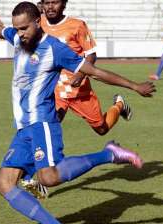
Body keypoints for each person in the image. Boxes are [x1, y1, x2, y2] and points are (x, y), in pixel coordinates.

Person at [0, 2, 155, 224]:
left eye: (24, 28)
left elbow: (95, 72)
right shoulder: (20, 39)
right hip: (23, 127)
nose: (19, 34)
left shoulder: (55, 49)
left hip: (42, 122)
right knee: (5, 184)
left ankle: (109, 154)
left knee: (48, 178)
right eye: (16, 29)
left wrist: (134, 86)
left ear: (37, 22)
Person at [41, 0, 132, 136]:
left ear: (64, 4)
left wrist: (81, 75)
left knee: (101, 129)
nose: (50, 6)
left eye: (55, 2)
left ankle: (119, 105)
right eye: (47, 2)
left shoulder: (77, 25)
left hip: (78, 89)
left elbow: (91, 55)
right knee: (49, 126)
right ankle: (46, 156)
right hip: (55, 89)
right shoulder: (38, 24)